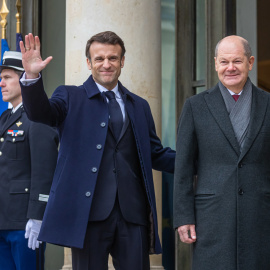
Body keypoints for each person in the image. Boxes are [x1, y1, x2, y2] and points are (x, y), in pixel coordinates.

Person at [19, 31, 175, 270]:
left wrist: (196, 160)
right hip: (87, 215)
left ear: (122, 61)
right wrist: (31, 76)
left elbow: (154, 153)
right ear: (89, 63)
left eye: (113, 58)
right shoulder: (70, 96)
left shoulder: (139, 105)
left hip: (133, 215)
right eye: (99, 58)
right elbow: (41, 113)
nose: (106, 64)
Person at [173, 35, 270, 270]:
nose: (230, 68)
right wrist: (184, 216)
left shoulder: (268, 103)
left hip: (260, 212)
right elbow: (183, 168)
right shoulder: (196, 106)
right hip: (212, 215)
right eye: (224, 62)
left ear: (250, 62)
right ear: (216, 64)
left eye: (237, 61)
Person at [0, 51, 58, 270]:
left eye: (7, 78)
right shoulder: (5, 118)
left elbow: (45, 170)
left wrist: (38, 215)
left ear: (23, 78)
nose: (1, 84)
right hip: (3, 220)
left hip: (24, 224)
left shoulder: (38, 116)